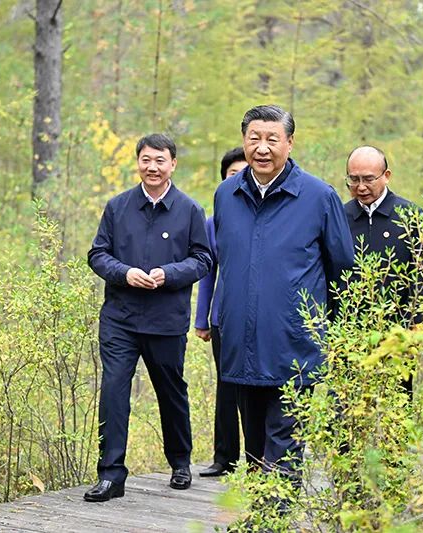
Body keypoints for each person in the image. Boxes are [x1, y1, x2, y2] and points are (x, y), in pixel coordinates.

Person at [214, 105, 354, 478]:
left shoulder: (319, 197)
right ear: (244, 141)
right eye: (254, 138)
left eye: (272, 139)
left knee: (285, 451)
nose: (262, 148)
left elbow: (342, 269)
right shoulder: (226, 194)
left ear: (289, 143)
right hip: (241, 346)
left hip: (294, 347)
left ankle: (277, 511)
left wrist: (326, 332)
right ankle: (263, 509)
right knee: (255, 452)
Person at [85, 134, 212, 502]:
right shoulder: (118, 206)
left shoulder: (190, 210)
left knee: (171, 392)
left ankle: (180, 462)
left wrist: (167, 274)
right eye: (146, 160)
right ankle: (111, 475)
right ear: (137, 162)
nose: (152, 167)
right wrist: (124, 273)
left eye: (160, 160)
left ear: (173, 164)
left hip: (165, 320)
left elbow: (203, 259)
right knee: (113, 391)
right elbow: (97, 254)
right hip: (120, 319)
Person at [342, 145, 423, 392]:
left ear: (386, 176)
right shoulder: (340, 216)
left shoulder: (410, 215)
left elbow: (420, 278)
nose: (361, 187)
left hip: (397, 332)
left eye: (368, 179)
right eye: (354, 180)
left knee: (396, 398)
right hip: (351, 333)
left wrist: (415, 329)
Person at [195, 147, 248, 477]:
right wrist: (202, 319)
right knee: (226, 385)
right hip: (223, 318)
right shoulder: (213, 222)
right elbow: (207, 273)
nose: (239, 179)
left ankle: (262, 457)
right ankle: (224, 457)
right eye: (232, 174)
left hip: (258, 317)